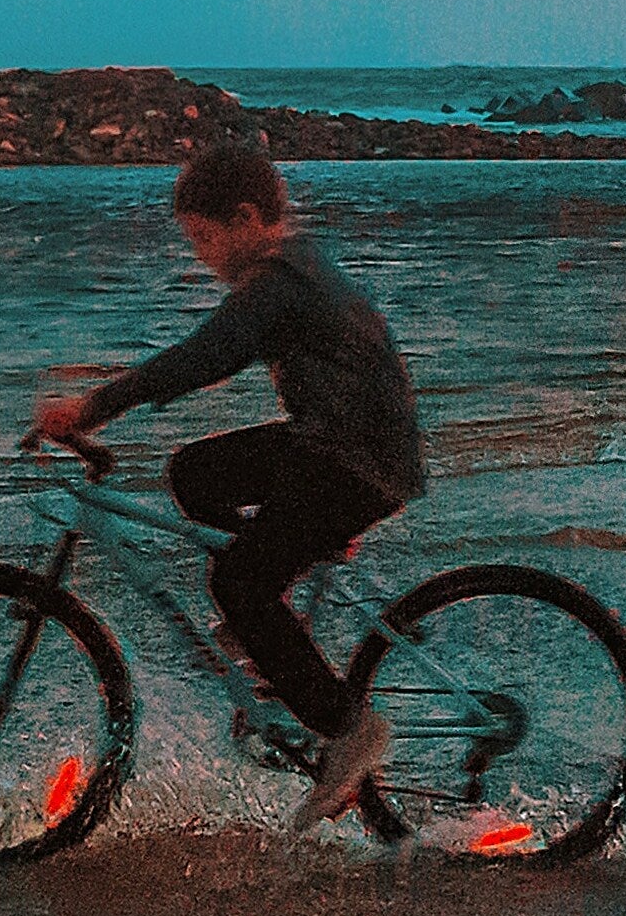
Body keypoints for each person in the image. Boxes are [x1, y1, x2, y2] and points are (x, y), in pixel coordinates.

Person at [38, 132, 423, 829]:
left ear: (247, 220)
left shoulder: (278, 282)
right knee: (195, 470)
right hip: (344, 449)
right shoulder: (294, 264)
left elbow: (205, 356)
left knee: (236, 583)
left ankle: (348, 728)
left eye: (202, 238)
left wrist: (93, 406)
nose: (199, 257)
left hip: (355, 462)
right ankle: (263, 621)